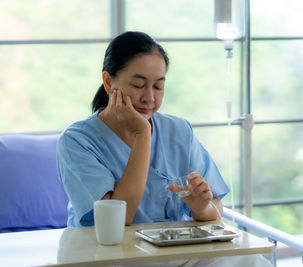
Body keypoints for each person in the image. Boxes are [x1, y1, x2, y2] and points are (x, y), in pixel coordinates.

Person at [57, 31, 271, 267]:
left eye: (158, 87)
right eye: (138, 85)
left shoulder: (179, 131)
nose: (149, 98)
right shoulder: (77, 141)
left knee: (252, 261)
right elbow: (119, 221)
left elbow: (215, 210)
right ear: (109, 82)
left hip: (170, 253)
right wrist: (142, 134)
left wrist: (202, 208)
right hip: (108, 256)